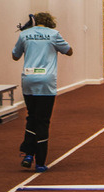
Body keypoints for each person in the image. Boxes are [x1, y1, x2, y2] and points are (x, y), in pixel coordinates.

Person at [12, 11, 73, 172]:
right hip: (46, 82)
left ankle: (28, 153)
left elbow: (15, 56)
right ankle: (40, 161)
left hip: (28, 80)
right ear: (49, 22)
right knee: (43, 120)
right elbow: (69, 51)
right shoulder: (54, 34)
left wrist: (25, 35)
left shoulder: (25, 34)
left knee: (32, 116)